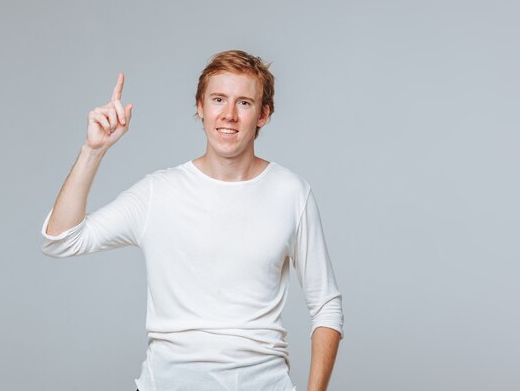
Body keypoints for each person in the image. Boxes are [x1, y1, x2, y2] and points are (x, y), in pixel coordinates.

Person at [40, 50, 344, 391]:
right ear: (200, 107)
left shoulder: (291, 193)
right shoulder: (159, 192)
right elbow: (61, 239)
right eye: (218, 99)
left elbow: (326, 305)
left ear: (264, 114)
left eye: (244, 103)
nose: (228, 115)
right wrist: (93, 150)